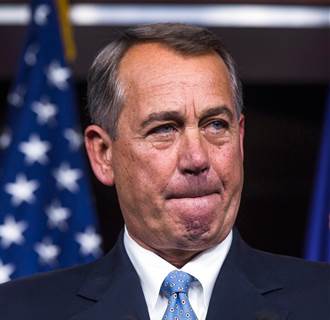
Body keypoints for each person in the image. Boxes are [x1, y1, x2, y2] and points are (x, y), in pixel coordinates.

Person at [0, 23, 329, 320]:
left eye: (215, 125)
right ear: (103, 153)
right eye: (163, 129)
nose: (197, 157)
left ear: (240, 139)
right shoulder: (16, 310)